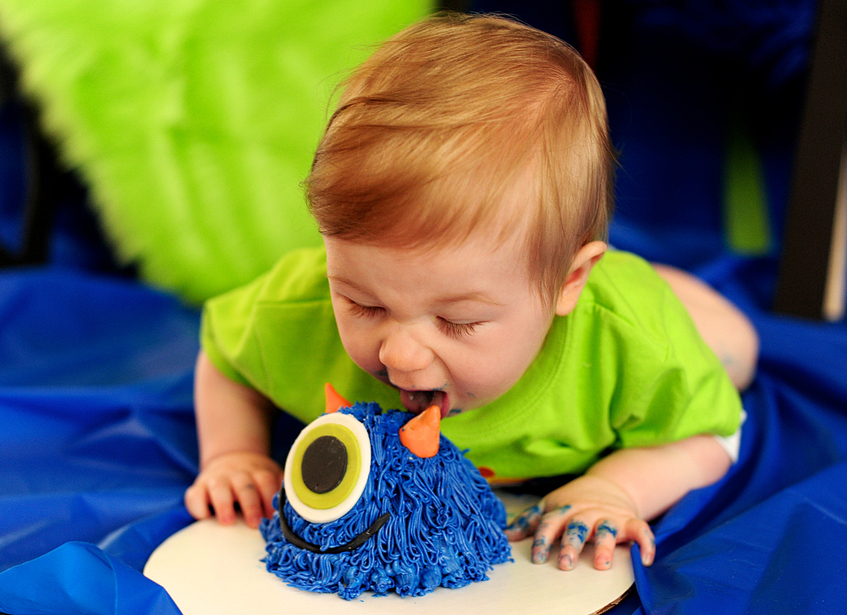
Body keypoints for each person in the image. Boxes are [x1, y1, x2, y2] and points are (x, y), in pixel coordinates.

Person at [184, 12, 759, 572]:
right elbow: (225, 358)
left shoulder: (630, 344)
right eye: (364, 303)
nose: (399, 356)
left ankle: (658, 283)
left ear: (569, 282)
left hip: (638, 309)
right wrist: (233, 453)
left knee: (736, 352)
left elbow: (713, 433)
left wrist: (616, 488)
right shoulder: (296, 308)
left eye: (457, 321)